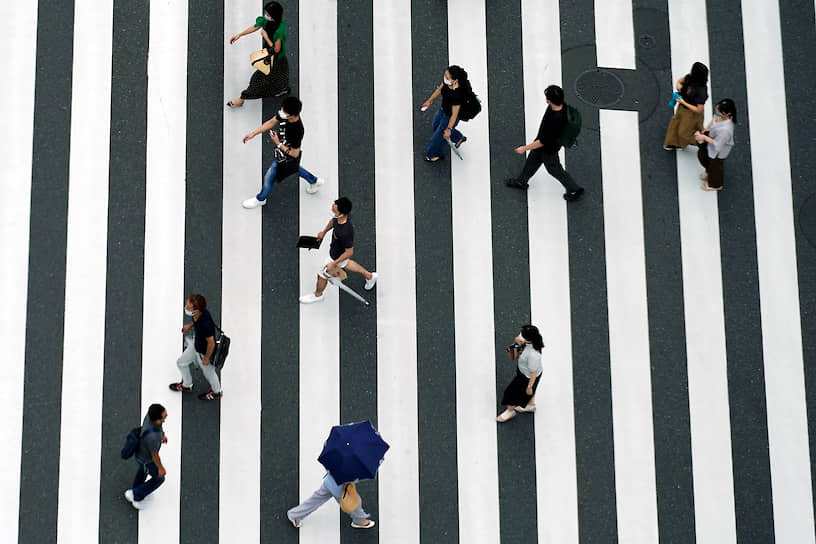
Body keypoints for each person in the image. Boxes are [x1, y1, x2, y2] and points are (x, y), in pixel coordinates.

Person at [241, 96, 325, 208]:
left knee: (269, 178)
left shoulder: (297, 131)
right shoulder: (286, 116)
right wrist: (253, 134)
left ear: (293, 114)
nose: (281, 112)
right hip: (284, 156)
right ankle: (314, 181)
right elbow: (272, 122)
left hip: (285, 159)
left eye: (285, 111)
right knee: (295, 169)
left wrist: (278, 143)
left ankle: (261, 198)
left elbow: (295, 154)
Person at [505, 85, 584, 201]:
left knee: (555, 170)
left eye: (547, 97)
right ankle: (521, 182)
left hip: (548, 150)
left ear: (550, 100)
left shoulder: (557, 120)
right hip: (542, 144)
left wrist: (524, 148)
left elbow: (543, 142)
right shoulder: (559, 106)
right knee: (531, 162)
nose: (546, 99)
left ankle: (575, 190)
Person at [299, 197, 378, 304]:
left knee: (322, 275)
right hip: (336, 252)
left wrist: (333, 263)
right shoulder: (339, 218)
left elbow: (349, 252)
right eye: (333, 206)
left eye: (334, 209)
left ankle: (318, 295)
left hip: (336, 256)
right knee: (345, 263)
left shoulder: (345, 232)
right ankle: (370, 276)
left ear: (342, 213)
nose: (332, 209)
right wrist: (324, 232)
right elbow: (333, 221)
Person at [227, 2, 289, 106]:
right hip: (275, 57)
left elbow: (276, 49)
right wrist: (240, 35)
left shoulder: (279, 30)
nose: (266, 16)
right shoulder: (268, 21)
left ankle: (242, 98)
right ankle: (281, 90)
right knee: (280, 77)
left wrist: (265, 36)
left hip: (275, 58)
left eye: (268, 15)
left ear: (274, 16)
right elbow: (256, 26)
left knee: (257, 80)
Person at [169, 293, 223, 401]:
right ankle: (187, 385)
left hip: (203, 352)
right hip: (196, 345)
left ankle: (217, 392)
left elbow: (211, 343)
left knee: (210, 373)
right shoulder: (198, 314)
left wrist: (206, 358)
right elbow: (196, 322)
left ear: (197, 310)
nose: (185, 308)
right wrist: (190, 326)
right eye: (186, 305)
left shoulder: (205, 324)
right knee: (181, 363)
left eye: (188, 307)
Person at [287, 472, 375, 529]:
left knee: (316, 499)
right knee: (355, 504)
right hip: (340, 489)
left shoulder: (339, 454)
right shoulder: (354, 468)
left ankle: (295, 515)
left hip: (329, 481)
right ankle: (359, 521)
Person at [421, 65, 470, 161]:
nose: (445, 78)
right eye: (445, 75)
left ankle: (433, 154)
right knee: (435, 126)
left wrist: (448, 129)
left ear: (454, 80)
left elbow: (454, 115)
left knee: (438, 137)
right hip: (443, 110)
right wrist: (429, 101)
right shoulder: (448, 83)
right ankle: (457, 137)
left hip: (450, 116)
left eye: (447, 77)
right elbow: (440, 89)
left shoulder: (457, 95)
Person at [124, 404, 168, 509]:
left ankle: (136, 488)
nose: (166, 415)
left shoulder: (149, 417)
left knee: (143, 471)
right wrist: (161, 468)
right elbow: (155, 456)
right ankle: (137, 495)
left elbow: (159, 426)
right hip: (147, 460)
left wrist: (162, 434)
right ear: (157, 420)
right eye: (164, 416)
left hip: (140, 454)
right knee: (159, 479)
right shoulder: (153, 438)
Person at [496, 325, 544, 422]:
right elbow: (512, 355)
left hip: (527, 377)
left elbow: (533, 373)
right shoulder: (528, 343)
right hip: (524, 372)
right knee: (528, 392)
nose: (520, 336)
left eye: (522, 335)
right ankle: (530, 405)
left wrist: (529, 386)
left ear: (528, 339)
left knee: (511, 392)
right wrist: (516, 344)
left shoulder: (533, 355)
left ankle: (510, 411)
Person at [664, 62, 709, 150]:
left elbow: (699, 110)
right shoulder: (689, 78)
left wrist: (683, 102)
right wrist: (679, 87)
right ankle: (673, 142)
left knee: (684, 133)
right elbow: (680, 81)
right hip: (683, 108)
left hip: (691, 113)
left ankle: (703, 143)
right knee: (676, 122)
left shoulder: (701, 91)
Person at [695, 99, 736, 191]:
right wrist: (707, 129)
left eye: (719, 111)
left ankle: (715, 185)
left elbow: (718, 145)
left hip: (718, 151)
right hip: (711, 141)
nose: (716, 112)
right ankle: (709, 171)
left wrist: (704, 138)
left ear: (727, 113)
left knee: (715, 167)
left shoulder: (726, 130)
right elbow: (713, 121)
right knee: (703, 156)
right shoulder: (720, 116)